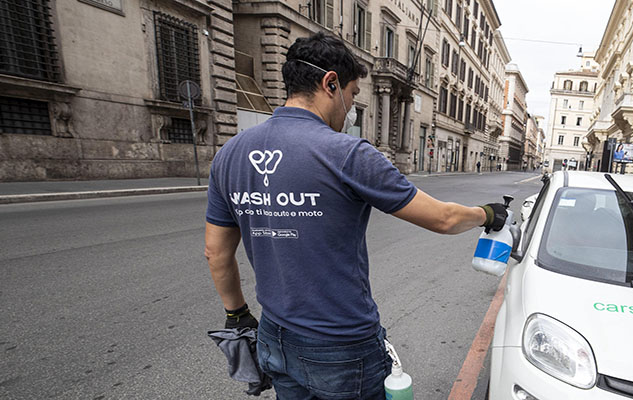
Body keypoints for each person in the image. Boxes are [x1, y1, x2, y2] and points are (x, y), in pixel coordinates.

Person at [204, 31, 509, 400]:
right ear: (330, 83)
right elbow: (443, 218)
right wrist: (487, 213)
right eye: (352, 96)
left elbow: (216, 253)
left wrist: (236, 314)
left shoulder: (230, 154)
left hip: (274, 336)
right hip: (340, 345)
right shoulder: (346, 153)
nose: (349, 109)